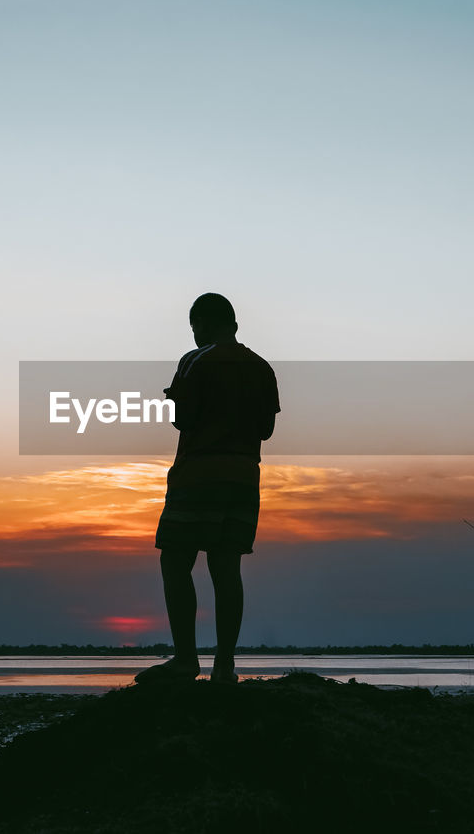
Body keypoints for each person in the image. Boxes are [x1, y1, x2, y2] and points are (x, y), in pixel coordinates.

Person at [135, 293, 280, 685]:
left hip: (199, 472)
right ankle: (224, 667)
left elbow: (183, 419)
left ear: (205, 322)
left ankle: (185, 659)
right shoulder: (262, 368)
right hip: (244, 477)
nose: (194, 333)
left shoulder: (195, 360)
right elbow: (266, 429)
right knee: (226, 566)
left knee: (175, 560)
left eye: (194, 325)